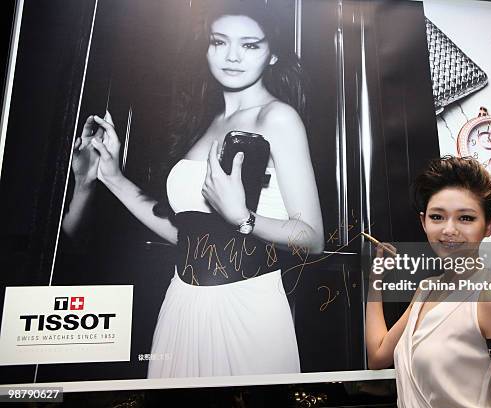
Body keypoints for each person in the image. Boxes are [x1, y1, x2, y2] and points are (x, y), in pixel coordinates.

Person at [65, 0, 324, 378]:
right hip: (182, 302)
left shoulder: (278, 118)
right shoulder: (206, 121)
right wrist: (111, 175)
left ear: (272, 55)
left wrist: (243, 218)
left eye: (250, 45)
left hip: (246, 307)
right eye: (219, 42)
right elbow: (184, 234)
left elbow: (312, 238)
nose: (232, 56)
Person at [365, 156, 491, 407]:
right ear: (423, 222)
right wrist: (376, 280)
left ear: (489, 226)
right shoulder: (426, 290)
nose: (449, 229)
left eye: (466, 218)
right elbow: (378, 355)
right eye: (437, 217)